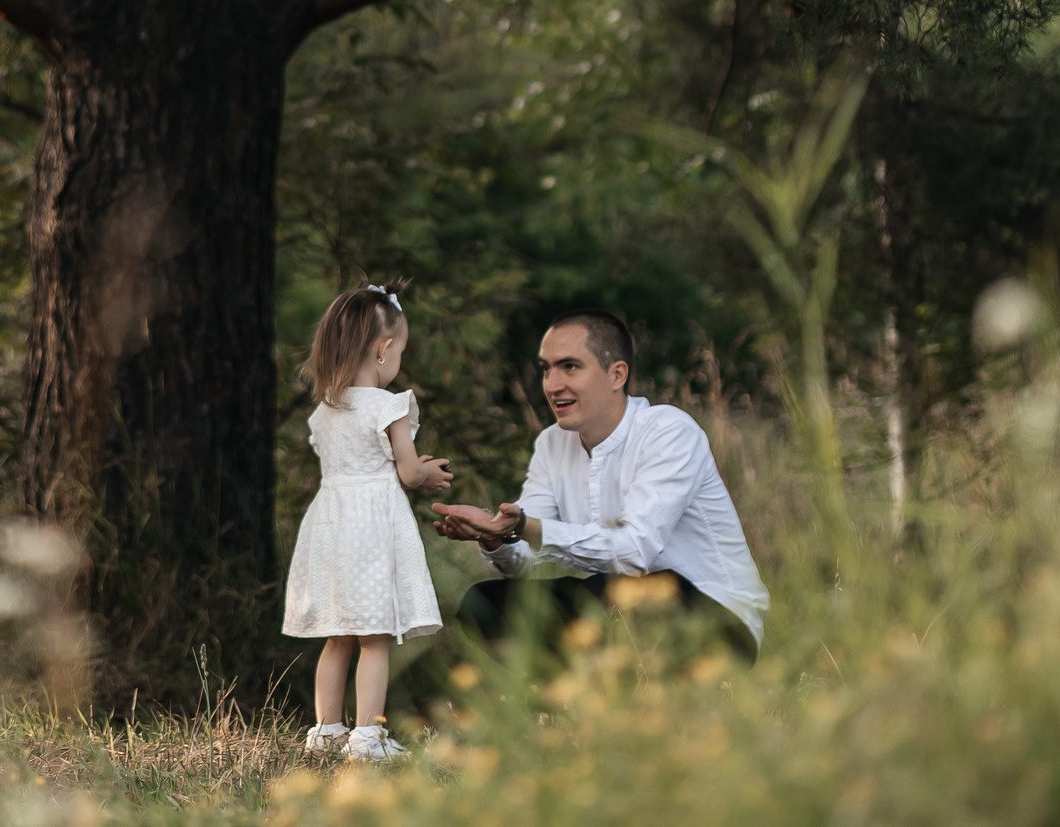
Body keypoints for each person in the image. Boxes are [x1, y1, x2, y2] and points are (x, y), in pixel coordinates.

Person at [433, 309, 766, 660]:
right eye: (546, 368)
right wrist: (495, 535)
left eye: (570, 367)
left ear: (616, 374)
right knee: (485, 603)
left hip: (717, 621)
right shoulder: (552, 444)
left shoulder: (668, 431)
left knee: (612, 590)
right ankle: (549, 703)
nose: (552, 384)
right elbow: (523, 560)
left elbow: (633, 552)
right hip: (620, 607)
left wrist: (526, 526)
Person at [283, 284, 456, 762]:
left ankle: (325, 729)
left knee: (338, 634)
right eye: (399, 349)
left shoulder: (326, 410)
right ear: (383, 350)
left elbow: (352, 462)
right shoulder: (388, 406)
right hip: (371, 528)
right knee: (375, 637)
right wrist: (429, 472)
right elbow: (406, 471)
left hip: (331, 524)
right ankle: (368, 736)